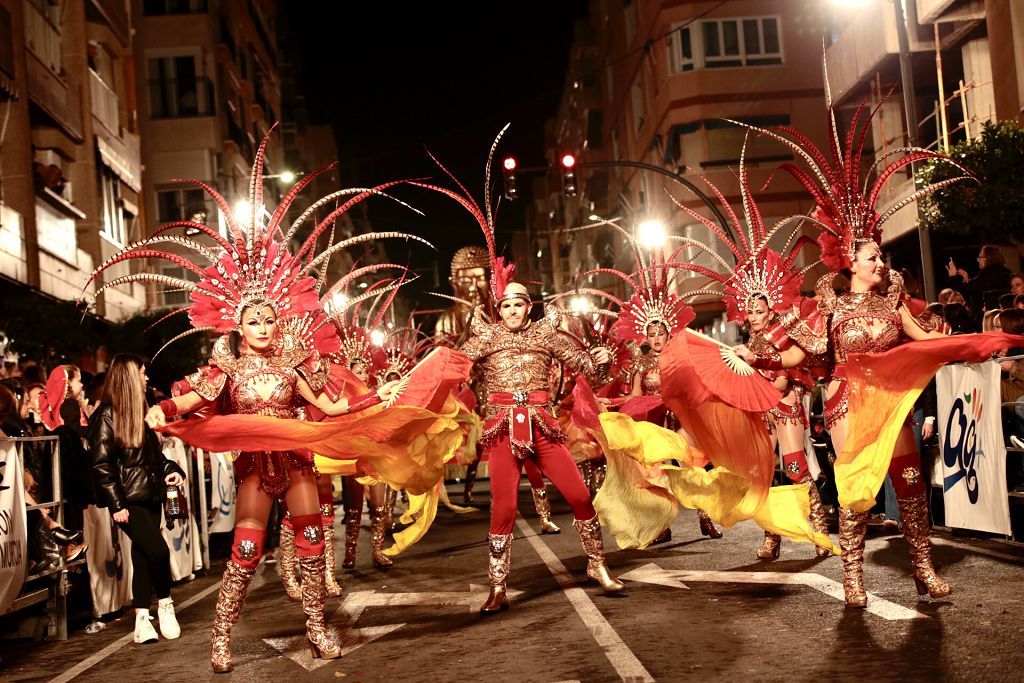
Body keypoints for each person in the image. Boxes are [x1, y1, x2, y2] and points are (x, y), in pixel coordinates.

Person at [89, 353, 184, 644]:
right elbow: (101, 464)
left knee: (142, 557)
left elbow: (153, 458)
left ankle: (142, 619)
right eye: (142, 373)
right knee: (157, 551)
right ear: (130, 376)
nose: (146, 378)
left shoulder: (140, 413)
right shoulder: (106, 415)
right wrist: (117, 504)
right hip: (128, 500)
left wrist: (172, 469)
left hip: (151, 494)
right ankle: (166, 604)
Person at [946, 245, 1012, 313]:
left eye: (980, 257)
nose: (978, 260)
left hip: (989, 316)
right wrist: (968, 281)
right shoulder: (1004, 273)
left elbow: (969, 290)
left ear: (986, 258)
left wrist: (953, 276)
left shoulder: (987, 274)